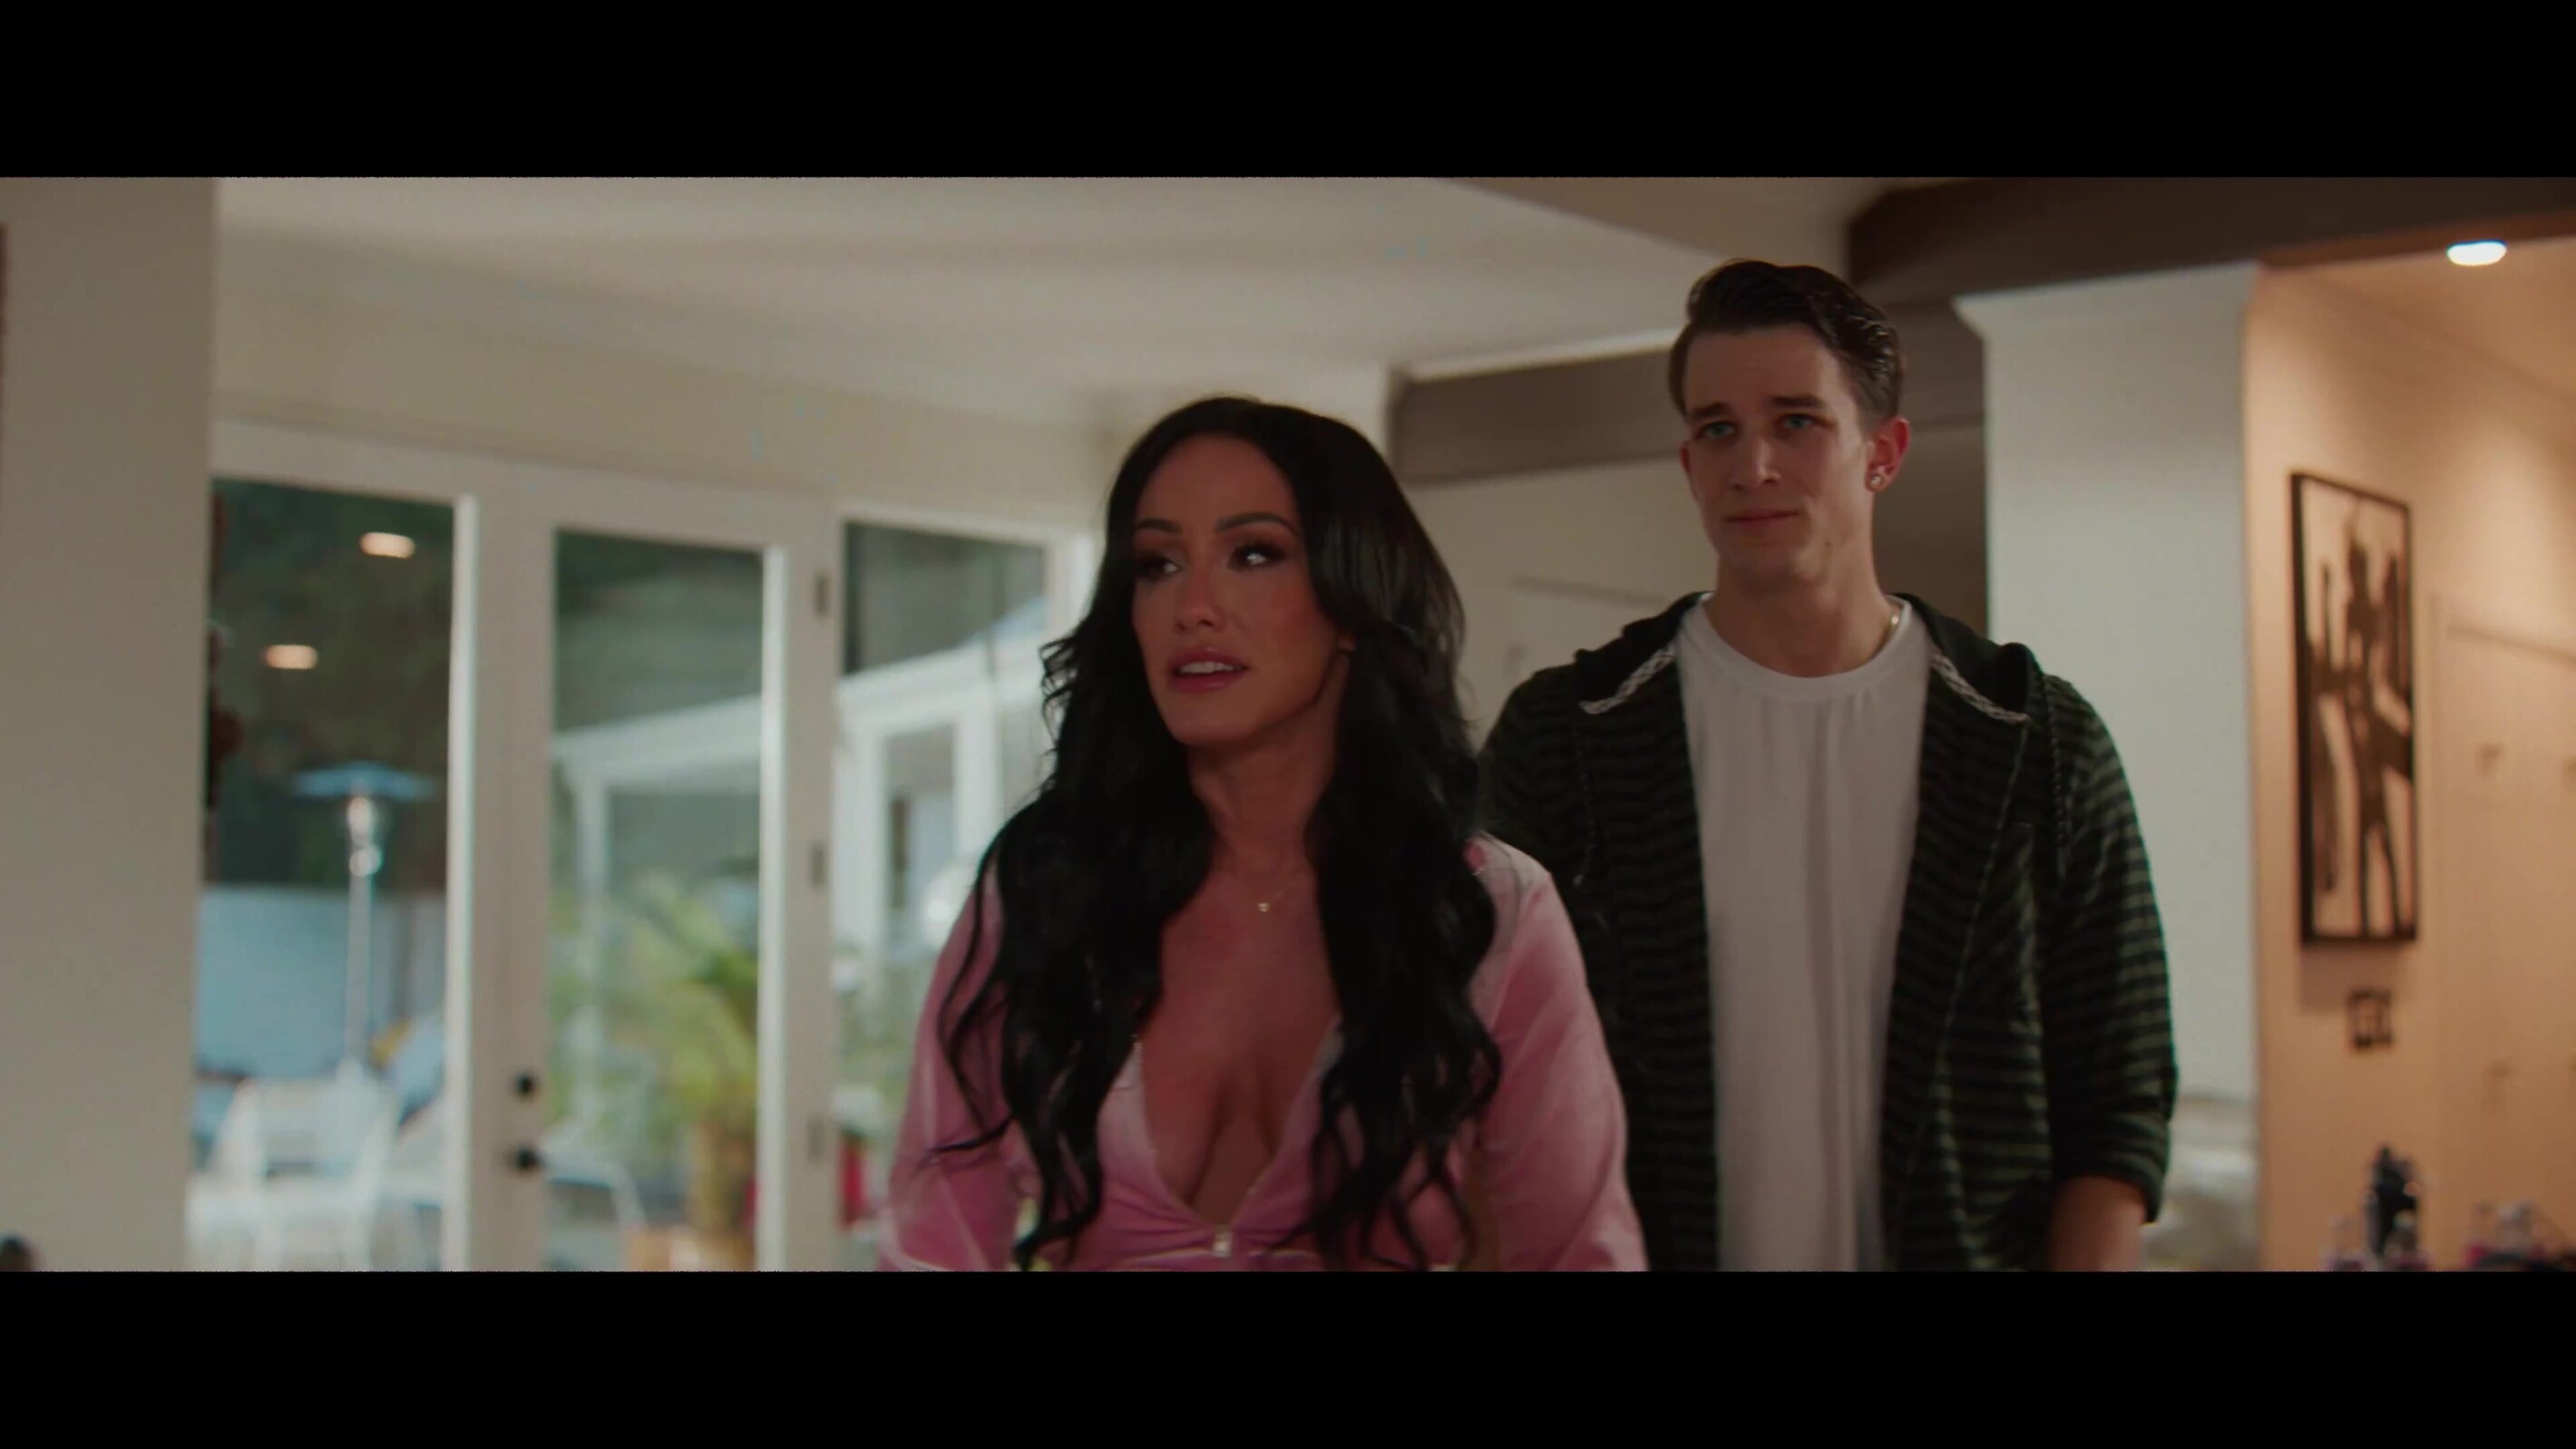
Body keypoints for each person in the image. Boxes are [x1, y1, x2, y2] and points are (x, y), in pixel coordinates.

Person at [1478, 260, 2178, 1271]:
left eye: (1795, 422)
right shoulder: (1570, 734)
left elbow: (2117, 1103)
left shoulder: (2036, 741)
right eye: (1718, 428)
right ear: (1687, 461)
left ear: (1881, 452)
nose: (1751, 464)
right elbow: (1475, 1074)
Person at [879, 396, 1643, 1271]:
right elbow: (930, 1244)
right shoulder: (1044, 890)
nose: (1194, 606)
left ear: (1350, 600)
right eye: (1159, 564)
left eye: (1253, 554)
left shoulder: (1484, 908)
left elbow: (1581, 1253)